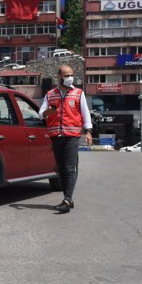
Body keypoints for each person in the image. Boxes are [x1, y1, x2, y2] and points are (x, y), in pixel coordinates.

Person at [39, 65, 93, 213]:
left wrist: (88, 131)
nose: (70, 78)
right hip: (56, 136)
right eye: (66, 75)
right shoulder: (50, 94)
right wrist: (48, 111)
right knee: (61, 168)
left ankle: (67, 200)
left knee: (69, 168)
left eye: (71, 74)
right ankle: (68, 198)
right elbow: (41, 113)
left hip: (72, 136)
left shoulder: (78, 93)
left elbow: (85, 113)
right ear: (59, 77)